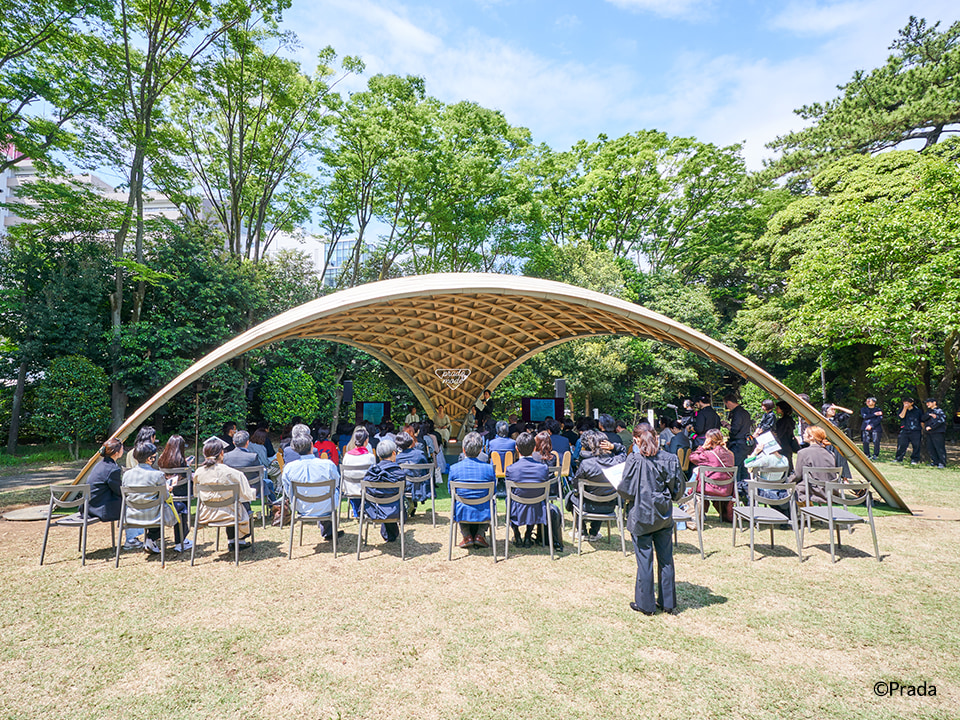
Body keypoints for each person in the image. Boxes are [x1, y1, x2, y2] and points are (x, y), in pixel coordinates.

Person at [619, 428, 684, 615]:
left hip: (641, 515)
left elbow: (626, 490)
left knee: (644, 560)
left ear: (636, 440)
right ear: (657, 438)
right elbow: (678, 491)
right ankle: (668, 603)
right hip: (662, 514)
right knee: (665, 559)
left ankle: (645, 605)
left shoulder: (634, 459)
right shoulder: (670, 459)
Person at [193, 436, 256, 550]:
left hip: (206, 514)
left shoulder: (198, 472)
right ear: (222, 453)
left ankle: (231, 540)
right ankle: (240, 539)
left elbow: (197, 494)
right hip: (231, 514)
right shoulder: (233, 473)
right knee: (242, 504)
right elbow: (246, 495)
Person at [122, 442, 184, 553]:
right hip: (154, 516)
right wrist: (168, 489)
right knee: (181, 507)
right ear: (150, 458)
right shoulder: (157, 475)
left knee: (156, 507)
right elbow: (164, 497)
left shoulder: (126, 474)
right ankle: (180, 542)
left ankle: (151, 540)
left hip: (132, 515)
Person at [568, 430, 626, 541]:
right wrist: (614, 447)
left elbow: (576, 483)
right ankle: (594, 532)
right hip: (609, 506)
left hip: (587, 506)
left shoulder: (586, 464)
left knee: (571, 497)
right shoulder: (618, 461)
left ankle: (582, 531)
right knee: (601, 494)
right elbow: (624, 452)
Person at [282, 434, 341, 539]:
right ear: (312, 445)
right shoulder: (328, 465)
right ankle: (330, 532)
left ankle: (329, 532)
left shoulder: (289, 468)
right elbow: (336, 484)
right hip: (327, 505)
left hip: (301, 507)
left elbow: (288, 491)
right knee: (334, 492)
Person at [447, 431, 496, 549]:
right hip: (484, 510)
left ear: (463, 450)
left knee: (458, 502)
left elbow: (450, 492)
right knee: (489, 502)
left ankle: (467, 535)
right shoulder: (489, 469)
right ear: (480, 450)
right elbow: (493, 491)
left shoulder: (454, 469)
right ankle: (480, 535)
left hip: (462, 510)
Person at [505, 432, 550, 547]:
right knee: (534, 500)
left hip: (516, 507)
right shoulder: (543, 468)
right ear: (534, 448)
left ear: (516, 448)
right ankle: (528, 535)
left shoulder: (510, 469)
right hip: (537, 507)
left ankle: (517, 534)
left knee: (508, 499)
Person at [361, 438, 406, 542]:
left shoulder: (371, 473)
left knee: (383, 501)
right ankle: (390, 533)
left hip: (374, 511)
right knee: (392, 501)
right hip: (395, 510)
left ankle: (389, 534)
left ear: (378, 455)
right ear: (394, 453)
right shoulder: (399, 473)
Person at [689, 428, 735, 523]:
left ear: (708, 440)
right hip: (726, 490)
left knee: (696, 476)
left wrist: (703, 447)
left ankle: (695, 510)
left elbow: (692, 458)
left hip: (709, 489)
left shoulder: (708, 455)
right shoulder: (730, 454)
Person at [156, 434, 193, 552]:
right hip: (182, 492)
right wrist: (188, 467)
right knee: (182, 511)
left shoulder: (161, 459)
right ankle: (181, 540)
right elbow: (186, 476)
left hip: (168, 491)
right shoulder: (181, 461)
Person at [224, 429, 277, 508]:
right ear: (247, 443)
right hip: (253, 488)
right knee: (269, 482)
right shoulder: (252, 457)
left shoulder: (226, 457)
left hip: (233, 489)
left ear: (233, 443)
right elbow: (260, 473)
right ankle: (274, 509)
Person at [790, 426, 842, 504]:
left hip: (813, 491)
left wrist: (786, 481)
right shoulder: (831, 454)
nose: (803, 435)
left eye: (805, 433)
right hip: (830, 491)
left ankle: (802, 514)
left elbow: (797, 475)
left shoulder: (803, 453)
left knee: (791, 490)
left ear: (811, 437)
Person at [87, 438, 125, 537]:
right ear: (116, 453)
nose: (123, 451)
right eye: (122, 449)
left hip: (89, 507)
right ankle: (131, 539)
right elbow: (119, 490)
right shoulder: (113, 469)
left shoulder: (100, 465)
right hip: (100, 509)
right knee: (131, 502)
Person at [340, 426, 376, 518]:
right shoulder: (370, 457)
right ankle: (364, 511)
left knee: (353, 486)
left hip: (350, 489)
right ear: (366, 441)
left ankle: (357, 512)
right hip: (366, 490)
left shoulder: (347, 456)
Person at [395, 431, 430, 516]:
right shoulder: (420, 454)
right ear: (411, 443)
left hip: (405, 487)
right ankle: (412, 506)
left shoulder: (398, 458)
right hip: (421, 486)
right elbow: (426, 470)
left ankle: (409, 505)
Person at [723, 394, 753, 490]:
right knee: (743, 468)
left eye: (726, 404)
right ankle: (746, 489)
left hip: (738, 444)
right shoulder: (745, 412)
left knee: (735, 467)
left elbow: (735, 430)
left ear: (729, 402)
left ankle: (737, 489)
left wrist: (726, 425)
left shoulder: (737, 413)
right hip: (744, 444)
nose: (726, 407)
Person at [774, 401, 800, 473]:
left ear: (782, 409)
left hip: (783, 444)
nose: (776, 409)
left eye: (778, 408)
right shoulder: (790, 419)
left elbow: (780, 433)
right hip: (788, 444)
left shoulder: (783, 421)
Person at [896, 398, 923, 464]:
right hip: (904, 430)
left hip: (915, 430)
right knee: (901, 444)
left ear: (912, 403)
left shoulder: (918, 411)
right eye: (904, 402)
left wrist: (923, 430)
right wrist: (905, 409)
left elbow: (922, 421)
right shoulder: (901, 410)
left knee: (916, 445)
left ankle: (915, 460)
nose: (906, 404)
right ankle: (899, 458)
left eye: (907, 402)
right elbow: (901, 417)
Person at [923, 398, 947, 468]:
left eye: (929, 402)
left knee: (939, 447)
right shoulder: (929, 411)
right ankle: (935, 461)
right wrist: (929, 415)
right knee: (931, 447)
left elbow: (941, 421)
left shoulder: (939, 411)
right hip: (929, 433)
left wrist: (932, 427)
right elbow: (923, 418)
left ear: (934, 403)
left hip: (938, 432)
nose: (927, 404)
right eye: (926, 403)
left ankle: (942, 463)